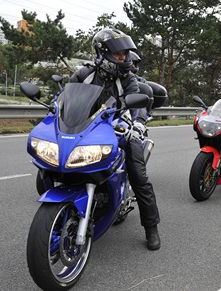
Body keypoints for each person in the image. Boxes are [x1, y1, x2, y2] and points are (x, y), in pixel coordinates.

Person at [70, 28, 161, 250]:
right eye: (118, 54)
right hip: (87, 129)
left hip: (120, 130)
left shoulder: (128, 79)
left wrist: (138, 124)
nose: (124, 58)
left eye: (125, 53)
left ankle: (151, 228)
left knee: (139, 177)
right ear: (102, 53)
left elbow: (137, 102)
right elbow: (66, 98)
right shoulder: (84, 74)